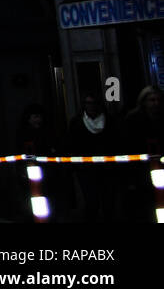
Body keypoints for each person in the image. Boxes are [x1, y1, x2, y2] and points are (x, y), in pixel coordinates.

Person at [65, 94, 119, 222]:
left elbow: (116, 142)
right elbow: (72, 145)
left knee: (109, 202)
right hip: (86, 170)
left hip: (107, 168)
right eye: (88, 103)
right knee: (91, 201)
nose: (91, 106)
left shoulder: (110, 121)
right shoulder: (77, 122)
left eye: (94, 103)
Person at [121, 85, 163, 222]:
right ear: (144, 101)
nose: (155, 103)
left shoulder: (161, 117)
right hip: (141, 171)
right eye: (152, 100)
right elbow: (128, 147)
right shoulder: (133, 119)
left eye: (157, 100)